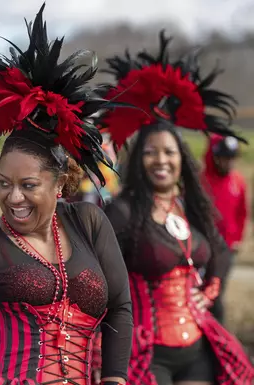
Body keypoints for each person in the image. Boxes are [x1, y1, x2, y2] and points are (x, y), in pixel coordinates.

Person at [0, 4, 133, 385]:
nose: (14, 197)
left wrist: (114, 378)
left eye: (28, 185)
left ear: (60, 183)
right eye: (4, 183)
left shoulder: (89, 223)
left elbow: (120, 308)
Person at [95, 30, 254, 385]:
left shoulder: (190, 208)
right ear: (138, 160)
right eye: (150, 152)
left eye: (169, 152)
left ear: (182, 159)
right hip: (146, 353)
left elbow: (220, 248)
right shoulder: (122, 214)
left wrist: (210, 289)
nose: (160, 160)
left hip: (198, 347)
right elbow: (100, 283)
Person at [201, 134, 248, 324]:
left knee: (217, 293)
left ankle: (217, 332)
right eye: (224, 158)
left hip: (226, 248)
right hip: (204, 247)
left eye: (232, 158)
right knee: (202, 291)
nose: (228, 163)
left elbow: (242, 213)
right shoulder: (201, 181)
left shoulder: (238, 181)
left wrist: (238, 237)